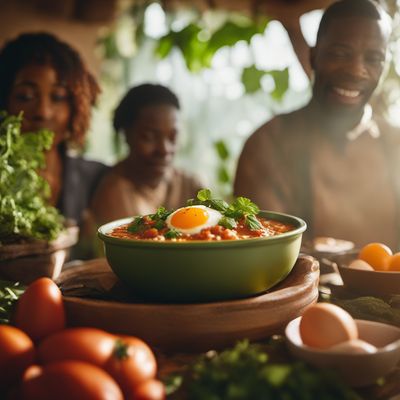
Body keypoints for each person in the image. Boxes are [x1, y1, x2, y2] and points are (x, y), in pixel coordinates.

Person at [234, 0, 400, 249]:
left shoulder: (395, 144)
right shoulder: (268, 144)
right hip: (303, 288)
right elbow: (261, 251)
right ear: (313, 56)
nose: (356, 70)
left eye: (373, 58)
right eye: (339, 54)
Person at [0, 32, 109, 230]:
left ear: (76, 106)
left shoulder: (97, 178)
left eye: (58, 97)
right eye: (25, 96)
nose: (43, 111)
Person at [90, 83, 202, 225]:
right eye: (149, 137)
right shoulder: (113, 193)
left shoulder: (191, 186)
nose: (164, 149)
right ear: (127, 134)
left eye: (172, 137)